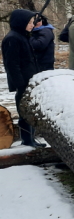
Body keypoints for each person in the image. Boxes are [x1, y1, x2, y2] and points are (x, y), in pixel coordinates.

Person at [2, 9, 45, 147]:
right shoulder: (12, 38)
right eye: (30, 22)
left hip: (29, 81)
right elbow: (12, 65)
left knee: (30, 111)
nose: (33, 25)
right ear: (21, 22)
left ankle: (31, 139)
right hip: (23, 83)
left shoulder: (23, 36)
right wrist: (20, 84)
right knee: (24, 112)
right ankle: (27, 140)